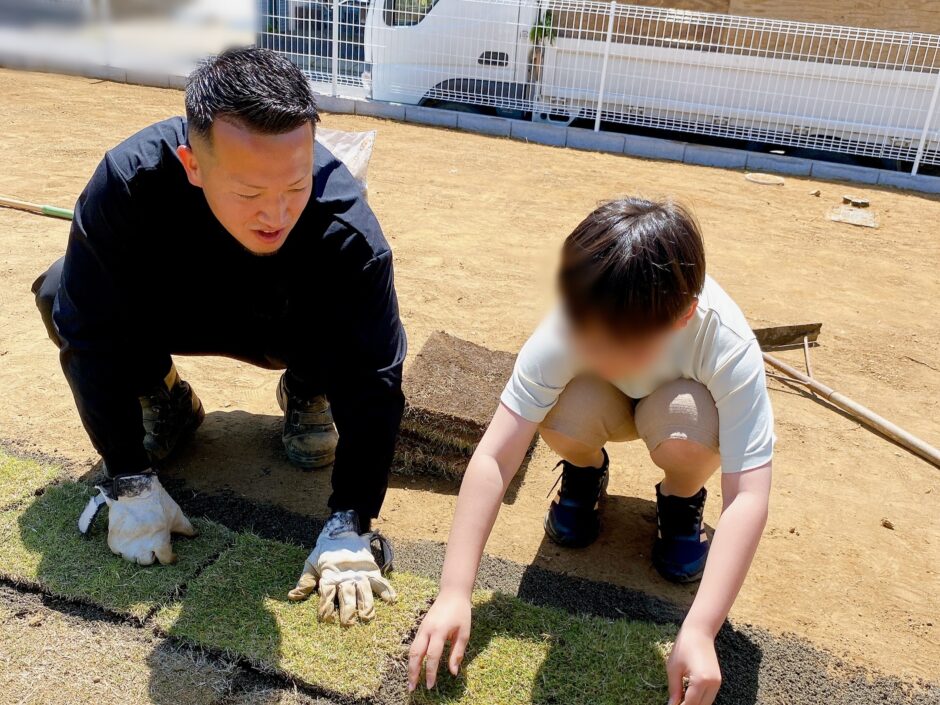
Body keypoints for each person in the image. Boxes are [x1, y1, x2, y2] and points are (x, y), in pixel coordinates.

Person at [32, 47, 405, 627]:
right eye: (250, 194)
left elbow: (377, 377)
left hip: (290, 326)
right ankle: (162, 395)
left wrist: (352, 520)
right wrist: (127, 478)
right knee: (62, 293)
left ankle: (309, 393)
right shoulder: (127, 185)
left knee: (348, 319)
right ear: (193, 163)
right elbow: (87, 329)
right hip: (179, 314)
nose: (275, 214)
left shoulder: (344, 228)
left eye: (294, 185)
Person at [407, 198, 774, 704]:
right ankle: (584, 473)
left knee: (690, 422)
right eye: (584, 334)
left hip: (673, 412)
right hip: (602, 404)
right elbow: (496, 455)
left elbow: (749, 495)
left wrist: (702, 629)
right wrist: (454, 591)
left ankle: (680, 499)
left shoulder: (726, 341)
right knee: (561, 402)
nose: (590, 348)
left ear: (684, 315)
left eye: (614, 343)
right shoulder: (571, 323)